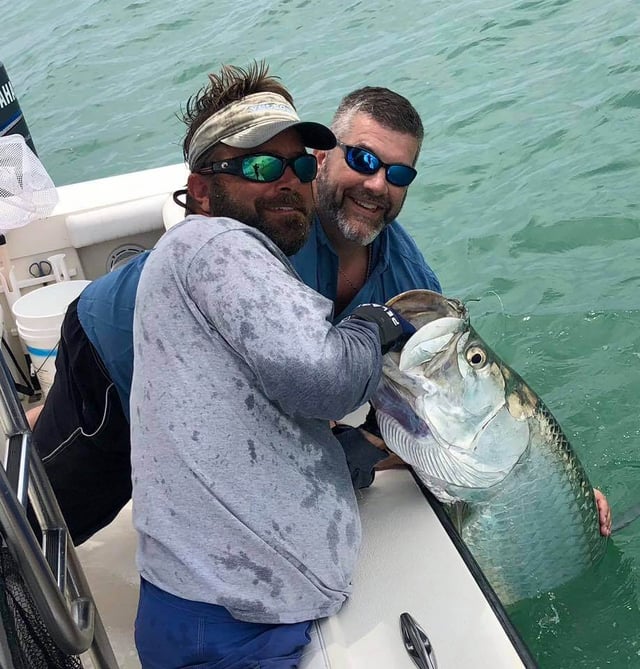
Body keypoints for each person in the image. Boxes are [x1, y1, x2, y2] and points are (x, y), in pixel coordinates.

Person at [27, 73, 612, 541]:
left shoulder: (408, 283)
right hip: (118, 358)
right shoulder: (265, 234)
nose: (378, 183)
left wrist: (540, 481)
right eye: (361, 159)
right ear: (323, 160)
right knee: (55, 521)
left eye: (398, 172)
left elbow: (439, 403)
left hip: (216, 402)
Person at [129, 62, 414, 668]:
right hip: (226, 623)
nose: (287, 181)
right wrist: (376, 325)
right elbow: (325, 378)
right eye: (259, 166)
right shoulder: (211, 241)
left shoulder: (254, 253)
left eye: (300, 165)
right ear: (202, 190)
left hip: (248, 610)